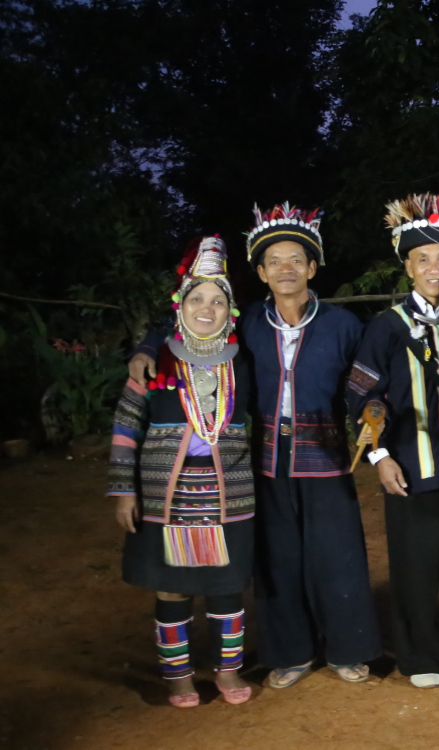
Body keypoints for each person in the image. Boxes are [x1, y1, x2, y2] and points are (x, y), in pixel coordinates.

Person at [130, 204, 381, 689]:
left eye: (296, 260)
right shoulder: (245, 325)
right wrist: (146, 346)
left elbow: (365, 380)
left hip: (326, 454)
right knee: (277, 557)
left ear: (312, 267)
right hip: (261, 460)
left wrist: (373, 410)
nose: (286, 269)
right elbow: (186, 324)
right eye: (274, 261)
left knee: (338, 555)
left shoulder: (343, 325)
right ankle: (289, 653)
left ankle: (348, 650)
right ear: (261, 272)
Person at [347, 193, 439, 689]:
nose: (434, 267)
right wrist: (379, 453)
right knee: (415, 564)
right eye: (423, 258)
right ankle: (420, 656)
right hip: (411, 462)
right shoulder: (386, 327)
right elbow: (362, 395)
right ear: (407, 265)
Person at [109, 237, 255, 707]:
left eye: (218, 300)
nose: (206, 309)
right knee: (171, 587)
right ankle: (178, 676)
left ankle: (227, 672)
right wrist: (122, 491)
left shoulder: (244, 363)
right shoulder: (153, 361)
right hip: (163, 495)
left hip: (228, 492)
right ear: (181, 306)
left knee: (227, 586)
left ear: (230, 310)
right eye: (197, 299)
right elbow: (127, 425)